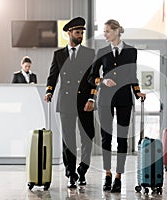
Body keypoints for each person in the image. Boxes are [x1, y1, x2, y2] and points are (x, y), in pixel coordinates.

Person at [88, 19, 146, 193]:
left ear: (116, 32)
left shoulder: (131, 51)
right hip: (105, 99)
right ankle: (107, 174)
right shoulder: (102, 51)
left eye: (107, 31)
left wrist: (138, 92)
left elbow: (132, 75)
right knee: (106, 138)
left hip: (123, 99)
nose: (105, 34)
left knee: (122, 139)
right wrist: (103, 80)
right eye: (104, 31)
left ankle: (118, 177)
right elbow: (91, 77)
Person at [44, 17, 96, 189]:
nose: (80, 35)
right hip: (66, 102)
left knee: (87, 137)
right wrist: (49, 91)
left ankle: (83, 170)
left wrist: (91, 98)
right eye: (77, 32)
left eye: (81, 32)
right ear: (69, 33)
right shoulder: (58, 55)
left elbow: (93, 78)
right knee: (68, 140)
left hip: (84, 102)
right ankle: (71, 174)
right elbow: (53, 75)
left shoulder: (89, 53)